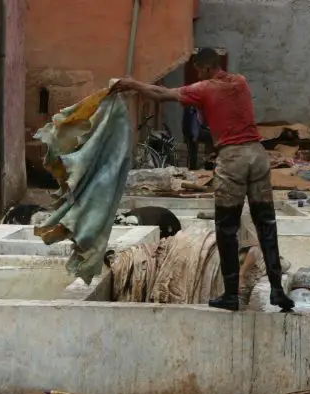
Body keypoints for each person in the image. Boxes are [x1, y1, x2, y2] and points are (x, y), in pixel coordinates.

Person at [111, 47, 295, 312]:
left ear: (206, 68)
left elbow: (162, 95)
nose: (198, 74)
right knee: (266, 222)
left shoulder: (205, 88)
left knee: (227, 227)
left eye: (199, 70)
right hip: (258, 155)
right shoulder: (240, 82)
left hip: (233, 158)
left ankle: (231, 294)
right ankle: (277, 290)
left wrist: (131, 84)